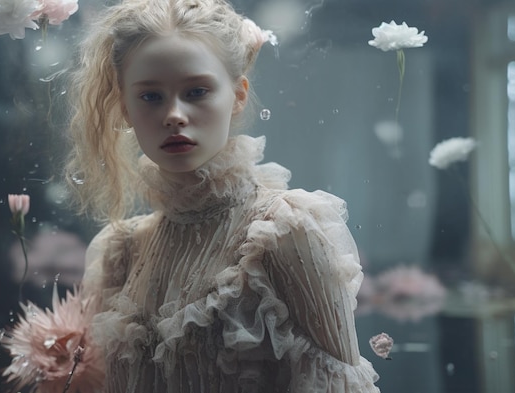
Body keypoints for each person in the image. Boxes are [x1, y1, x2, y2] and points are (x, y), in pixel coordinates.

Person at [63, 0, 381, 391]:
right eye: (150, 96)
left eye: (196, 91)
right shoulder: (120, 252)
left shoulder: (283, 231)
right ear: (125, 108)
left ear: (239, 95)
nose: (174, 115)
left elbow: (342, 383)